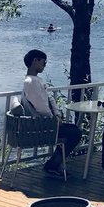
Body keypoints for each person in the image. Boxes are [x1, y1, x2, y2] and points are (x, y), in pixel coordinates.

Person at [20, 49, 82, 177]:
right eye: (44, 62)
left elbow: (49, 99)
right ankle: (53, 165)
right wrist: (53, 120)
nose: (45, 65)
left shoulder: (35, 80)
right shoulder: (32, 82)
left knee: (73, 130)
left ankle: (53, 164)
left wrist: (57, 114)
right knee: (75, 133)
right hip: (43, 127)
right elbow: (41, 106)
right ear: (35, 61)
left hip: (44, 124)